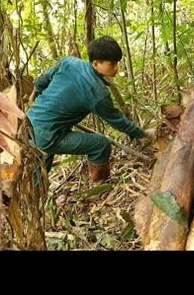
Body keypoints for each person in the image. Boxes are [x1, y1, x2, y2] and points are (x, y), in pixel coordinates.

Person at [27, 36, 154, 184]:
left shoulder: (69, 62)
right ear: (96, 63)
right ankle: (100, 186)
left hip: (28, 122)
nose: (116, 67)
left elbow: (45, 78)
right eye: (112, 63)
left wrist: (35, 92)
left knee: (39, 169)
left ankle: (29, 201)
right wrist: (142, 133)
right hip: (48, 137)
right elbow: (117, 120)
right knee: (100, 145)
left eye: (117, 62)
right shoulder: (98, 92)